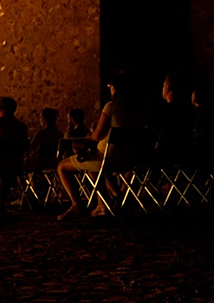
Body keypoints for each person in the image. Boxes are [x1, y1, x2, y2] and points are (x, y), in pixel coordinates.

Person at [56, 71, 147, 220]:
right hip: (130, 159)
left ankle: (76, 204)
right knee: (91, 163)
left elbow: (97, 135)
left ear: (116, 88)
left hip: (107, 158)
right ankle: (103, 204)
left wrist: (89, 137)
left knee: (62, 166)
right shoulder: (138, 111)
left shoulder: (111, 107)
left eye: (111, 86)